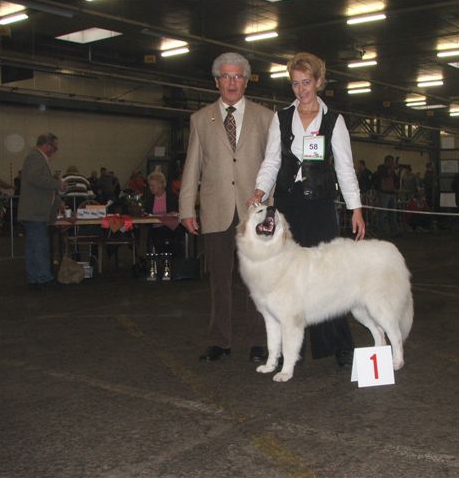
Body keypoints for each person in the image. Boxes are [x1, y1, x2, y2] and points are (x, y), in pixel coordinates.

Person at [248, 51, 365, 368]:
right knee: (284, 278)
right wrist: (260, 190)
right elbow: (272, 160)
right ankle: (286, 348)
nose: (301, 89)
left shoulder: (334, 120)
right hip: (287, 203)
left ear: (319, 82)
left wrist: (355, 208)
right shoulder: (281, 117)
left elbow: (345, 168)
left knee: (328, 277)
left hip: (321, 205)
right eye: (295, 83)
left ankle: (339, 344)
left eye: (306, 82)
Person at [179, 52, 273, 363]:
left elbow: (273, 164)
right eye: (226, 76)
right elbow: (192, 166)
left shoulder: (266, 117)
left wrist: (271, 209)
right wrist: (186, 208)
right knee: (219, 279)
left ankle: (260, 341)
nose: (232, 82)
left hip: (255, 212)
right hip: (215, 210)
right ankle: (220, 340)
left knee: (256, 280)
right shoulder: (199, 119)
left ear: (246, 81)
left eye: (237, 76)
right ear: (217, 81)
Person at [17, 133, 66, 290]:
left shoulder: (37, 157)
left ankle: (35, 278)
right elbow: (35, 178)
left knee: (33, 246)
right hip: (36, 211)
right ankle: (44, 278)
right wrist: (57, 184)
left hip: (34, 211)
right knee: (40, 245)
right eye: (55, 147)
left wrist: (57, 200)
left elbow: (39, 183)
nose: (55, 151)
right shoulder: (35, 157)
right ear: (47, 146)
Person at [143, 171, 181, 256]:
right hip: (155, 229)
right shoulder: (149, 200)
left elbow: (175, 213)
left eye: (153, 185)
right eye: (150, 185)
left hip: (170, 229)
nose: (150, 188)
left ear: (160, 185)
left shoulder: (172, 197)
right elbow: (146, 214)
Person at [374, 154, 399, 235]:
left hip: (391, 193)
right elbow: (385, 174)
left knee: (392, 213)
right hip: (383, 193)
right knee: (382, 213)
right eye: (391, 162)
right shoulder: (381, 168)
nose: (392, 164)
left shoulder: (392, 171)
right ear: (387, 161)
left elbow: (396, 180)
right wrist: (392, 168)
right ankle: (380, 230)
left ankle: (394, 230)